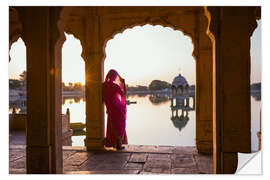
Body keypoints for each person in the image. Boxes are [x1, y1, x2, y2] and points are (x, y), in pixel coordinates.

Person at [102, 69, 128, 150]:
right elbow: (123, 94)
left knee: (113, 126)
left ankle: (115, 144)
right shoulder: (115, 86)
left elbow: (103, 98)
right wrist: (123, 83)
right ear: (114, 77)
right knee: (119, 126)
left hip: (110, 109)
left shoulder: (103, 85)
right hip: (118, 109)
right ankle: (119, 145)